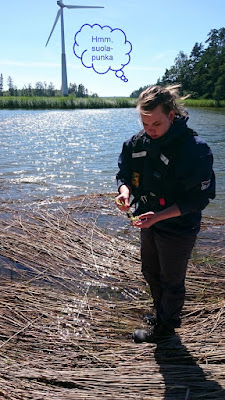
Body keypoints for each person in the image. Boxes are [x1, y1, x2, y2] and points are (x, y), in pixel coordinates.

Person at [115, 85, 215, 343]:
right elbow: (124, 173)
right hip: (147, 221)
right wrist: (125, 192)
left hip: (178, 227)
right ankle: (161, 313)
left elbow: (199, 198)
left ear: (171, 115)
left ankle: (166, 330)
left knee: (171, 278)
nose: (150, 129)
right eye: (145, 122)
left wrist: (159, 216)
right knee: (150, 271)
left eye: (156, 123)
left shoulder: (195, 150)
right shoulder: (137, 143)